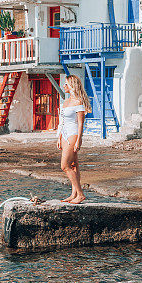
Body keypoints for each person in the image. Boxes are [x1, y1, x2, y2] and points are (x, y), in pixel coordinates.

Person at [56, 74, 91, 204]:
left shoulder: (78, 102)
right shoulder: (65, 101)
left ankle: (80, 194)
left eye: (66, 84)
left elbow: (81, 123)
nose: (63, 86)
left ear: (72, 86)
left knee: (64, 166)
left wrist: (79, 140)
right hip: (64, 135)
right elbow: (62, 122)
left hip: (73, 134)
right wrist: (59, 137)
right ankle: (74, 194)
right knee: (73, 165)